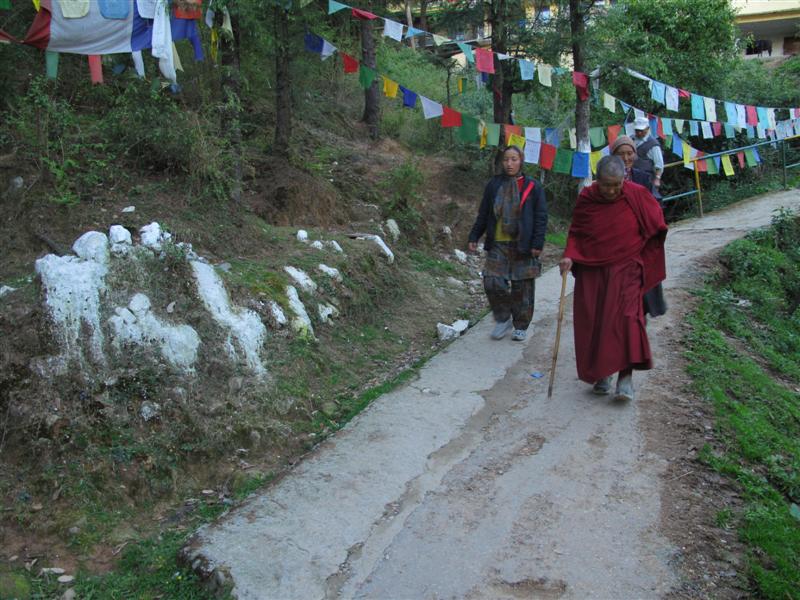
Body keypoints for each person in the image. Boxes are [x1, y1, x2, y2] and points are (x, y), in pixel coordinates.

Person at [558, 155, 667, 401]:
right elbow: (577, 233)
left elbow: (657, 226)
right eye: (606, 184)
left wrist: (646, 258)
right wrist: (569, 256)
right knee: (598, 321)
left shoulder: (636, 195)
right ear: (597, 180)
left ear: (623, 180)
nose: (611, 190)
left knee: (629, 319)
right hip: (593, 271)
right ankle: (602, 374)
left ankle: (625, 377)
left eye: (616, 185)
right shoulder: (587, 198)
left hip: (628, 269)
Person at [468, 145, 548, 342]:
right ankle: (503, 318)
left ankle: (521, 324)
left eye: (514, 159)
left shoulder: (532, 186)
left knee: (523, 288)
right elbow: (484, 213)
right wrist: (474, 236)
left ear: (521, 161)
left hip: (524, 244)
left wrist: (537, 243)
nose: (509, 163)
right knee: (492, 281)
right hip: (499, 243)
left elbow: (541, 216)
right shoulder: (494, 185)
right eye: (506, 159)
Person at [612, 135, 668, 318]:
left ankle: (640, 320)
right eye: (621, 154)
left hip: (640, 240)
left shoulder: (643, 178)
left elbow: (653, 207)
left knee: (642, 285)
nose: (626, 158)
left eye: (629, 153)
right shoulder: (607, 179)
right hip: (617, 242)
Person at [632, 117, 664, 199]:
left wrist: (657, 179)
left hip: (647, 178)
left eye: (641, 130)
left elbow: (659, 163)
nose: (639, 133)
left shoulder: (653, 144)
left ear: (647, 129)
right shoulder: (631, 139)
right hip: (632, 177)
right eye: (637, 130)